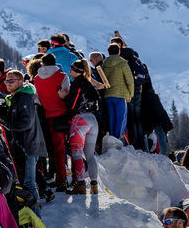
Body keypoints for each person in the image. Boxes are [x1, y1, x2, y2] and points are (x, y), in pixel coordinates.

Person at [2, 69, 46, 209]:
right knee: (28, 181)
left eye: (11, 80)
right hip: (27, 145)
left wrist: (6, 126)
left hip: (29, 145)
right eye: (6, 80)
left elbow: (26, 122)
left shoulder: (23, 98)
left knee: (29, 183)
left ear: (20, 82)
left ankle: (37, 215)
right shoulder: (18, 97)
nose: (7, 83)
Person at [30, 54, 70, 193]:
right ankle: (62, 180)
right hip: (61, 115)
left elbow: (38, 99)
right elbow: (66, 94)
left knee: (50, 150)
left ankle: (51, 177)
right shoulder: (62, 76)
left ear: (43, 64)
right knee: (61, 150)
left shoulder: (36, 79)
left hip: (45, 116)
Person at [63, 59, 103, 194]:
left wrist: (67, 114)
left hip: (80, 120)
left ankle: (80, 184)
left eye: (71, 69)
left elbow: (72, 104)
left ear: (76, 71)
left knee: (76, 154)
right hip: (93, 120)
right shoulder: (90, 85)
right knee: (90, 156)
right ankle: (94, 185)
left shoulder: (77, 84)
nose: (69, 71)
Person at [99, 41, 135, 145]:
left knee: (112, 118)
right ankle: (119, 140)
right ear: (119, 52)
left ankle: (112, 140)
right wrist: (130, 94)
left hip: (108, 94)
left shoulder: (104, 64)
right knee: (121, 118)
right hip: (120, 95)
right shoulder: (122, 63)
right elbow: (129, 80)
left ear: (108, 52)